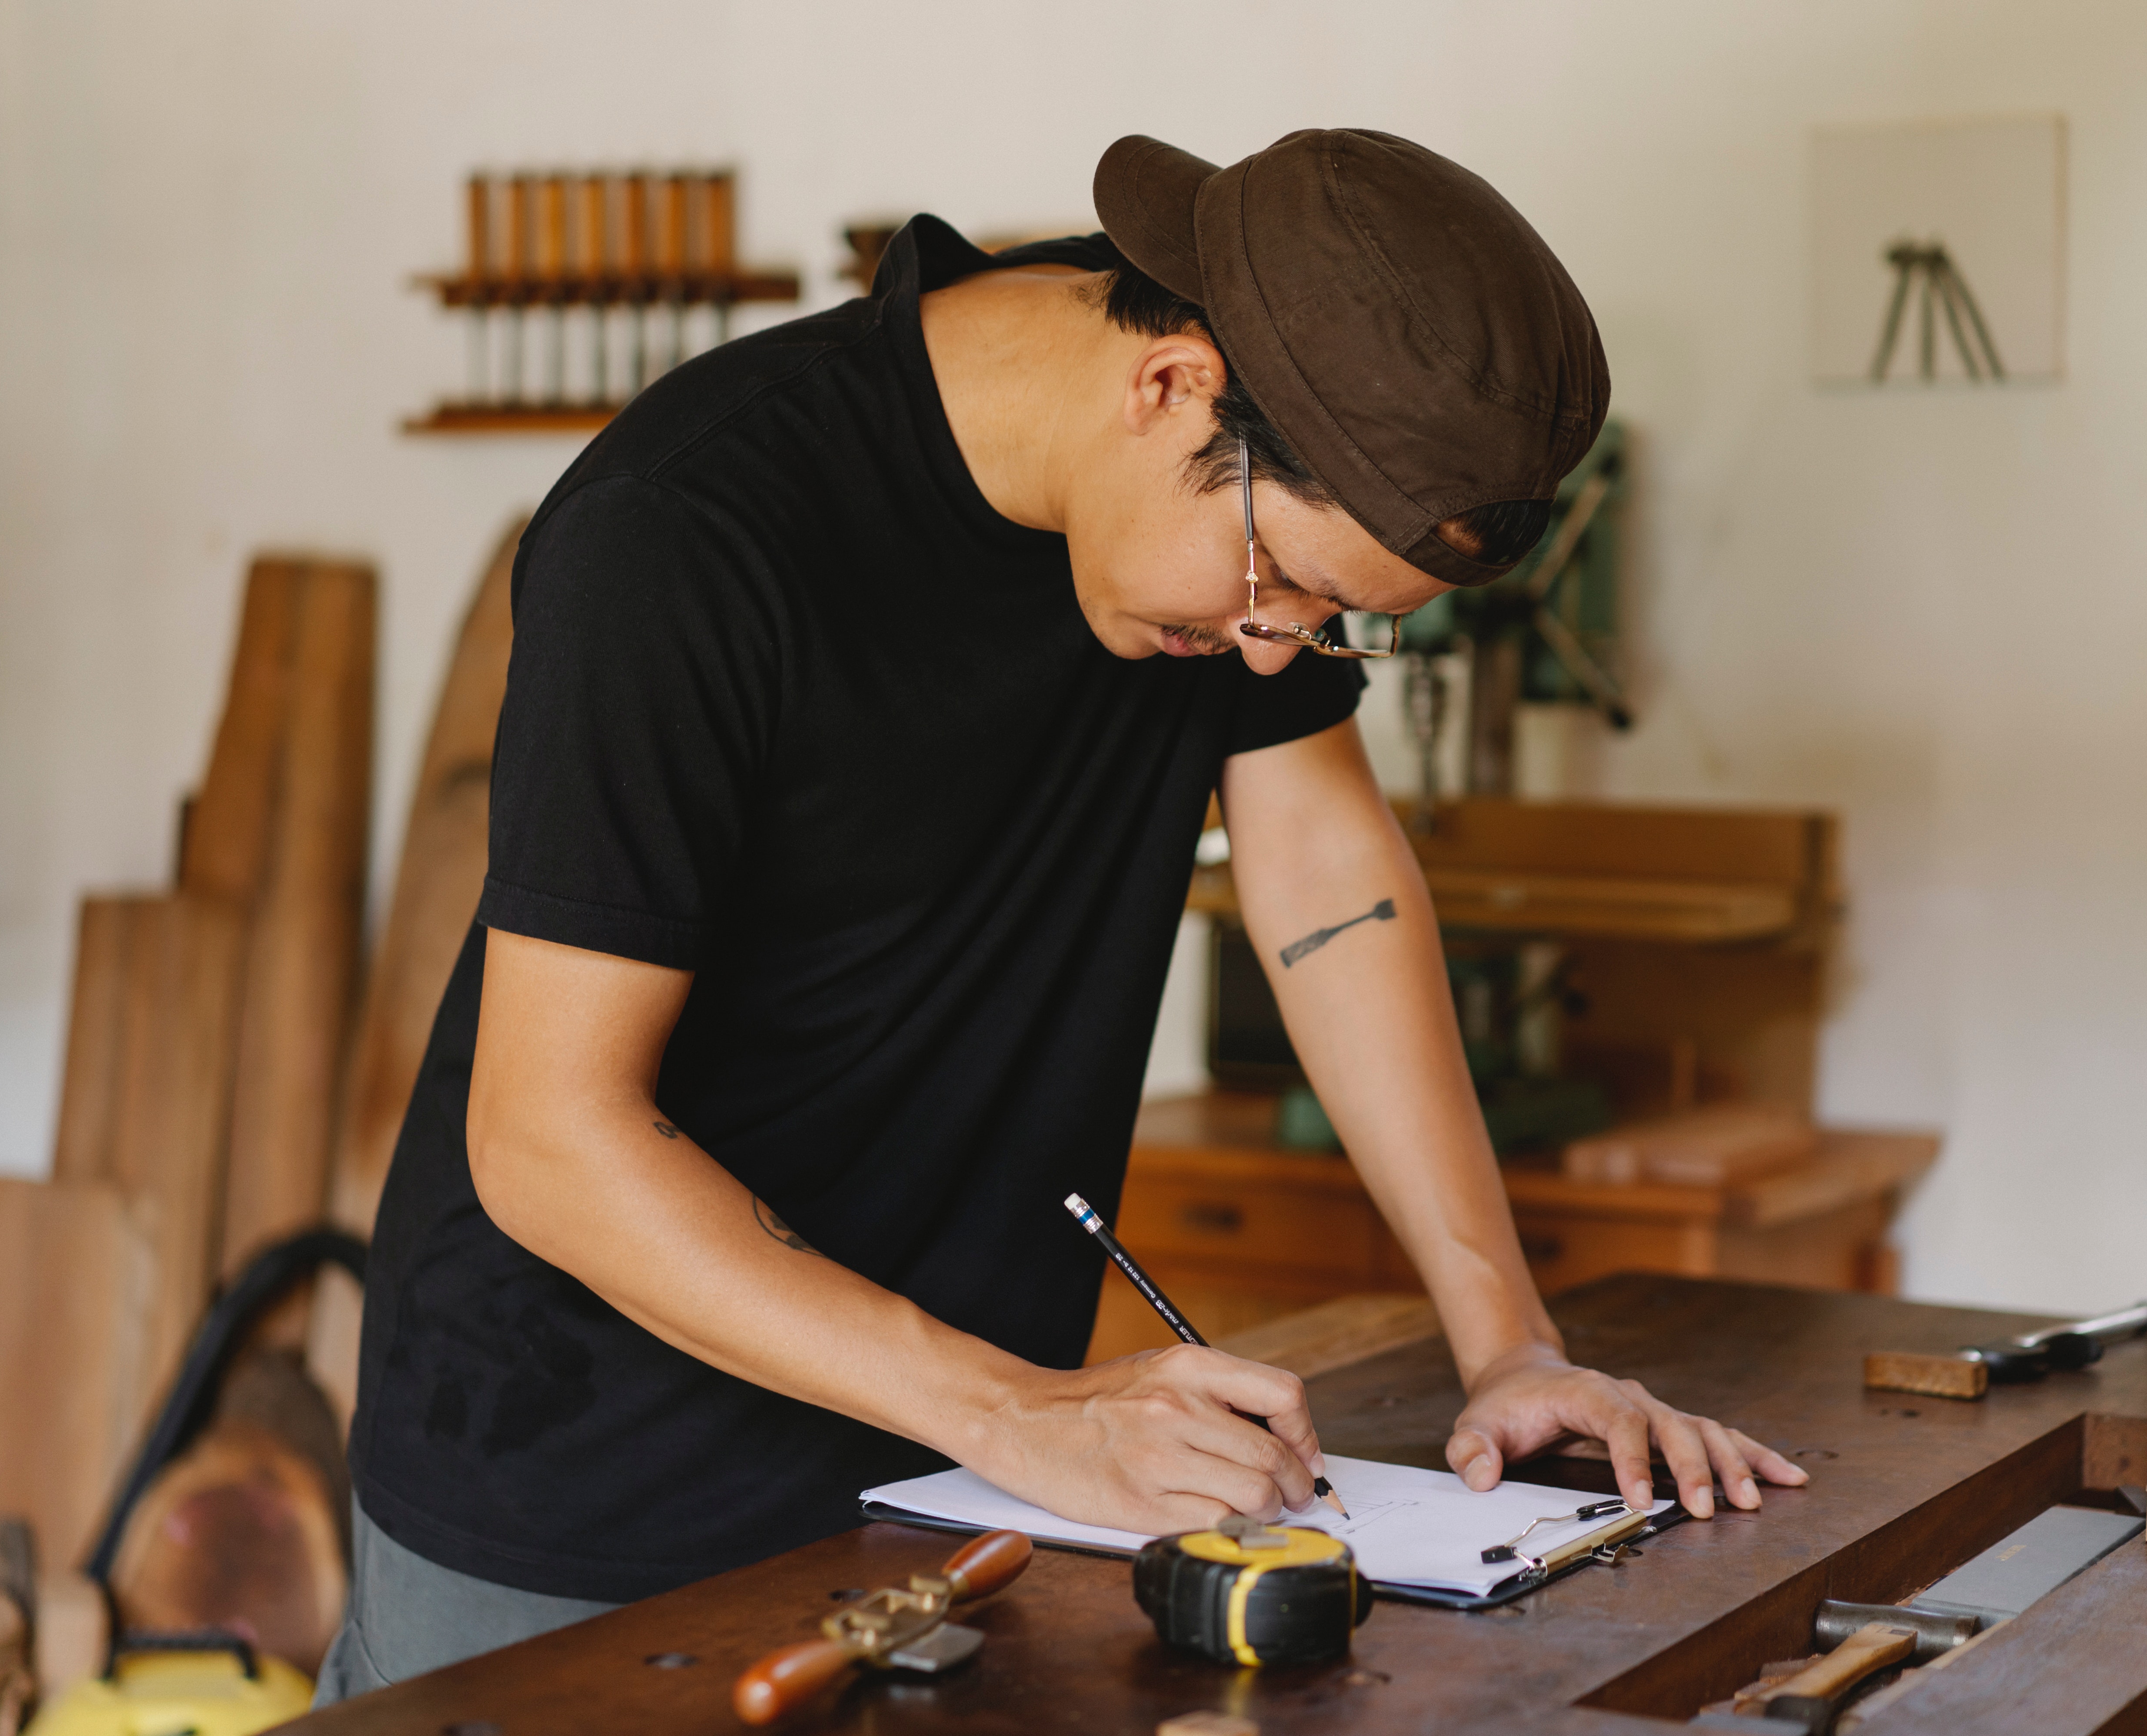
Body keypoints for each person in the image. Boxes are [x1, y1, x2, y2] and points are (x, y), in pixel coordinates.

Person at [316, 128, 1806, 1702]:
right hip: (577, 1490)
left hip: (962, 1482)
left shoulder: (1211, 569)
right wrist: (1022, 1413)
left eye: (1330, 624)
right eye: (1273, 587)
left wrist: (1508, 1340)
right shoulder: (686, 531)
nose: (1271, 655)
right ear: (1172, 387)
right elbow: (549, 1141)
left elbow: (1332, 887)